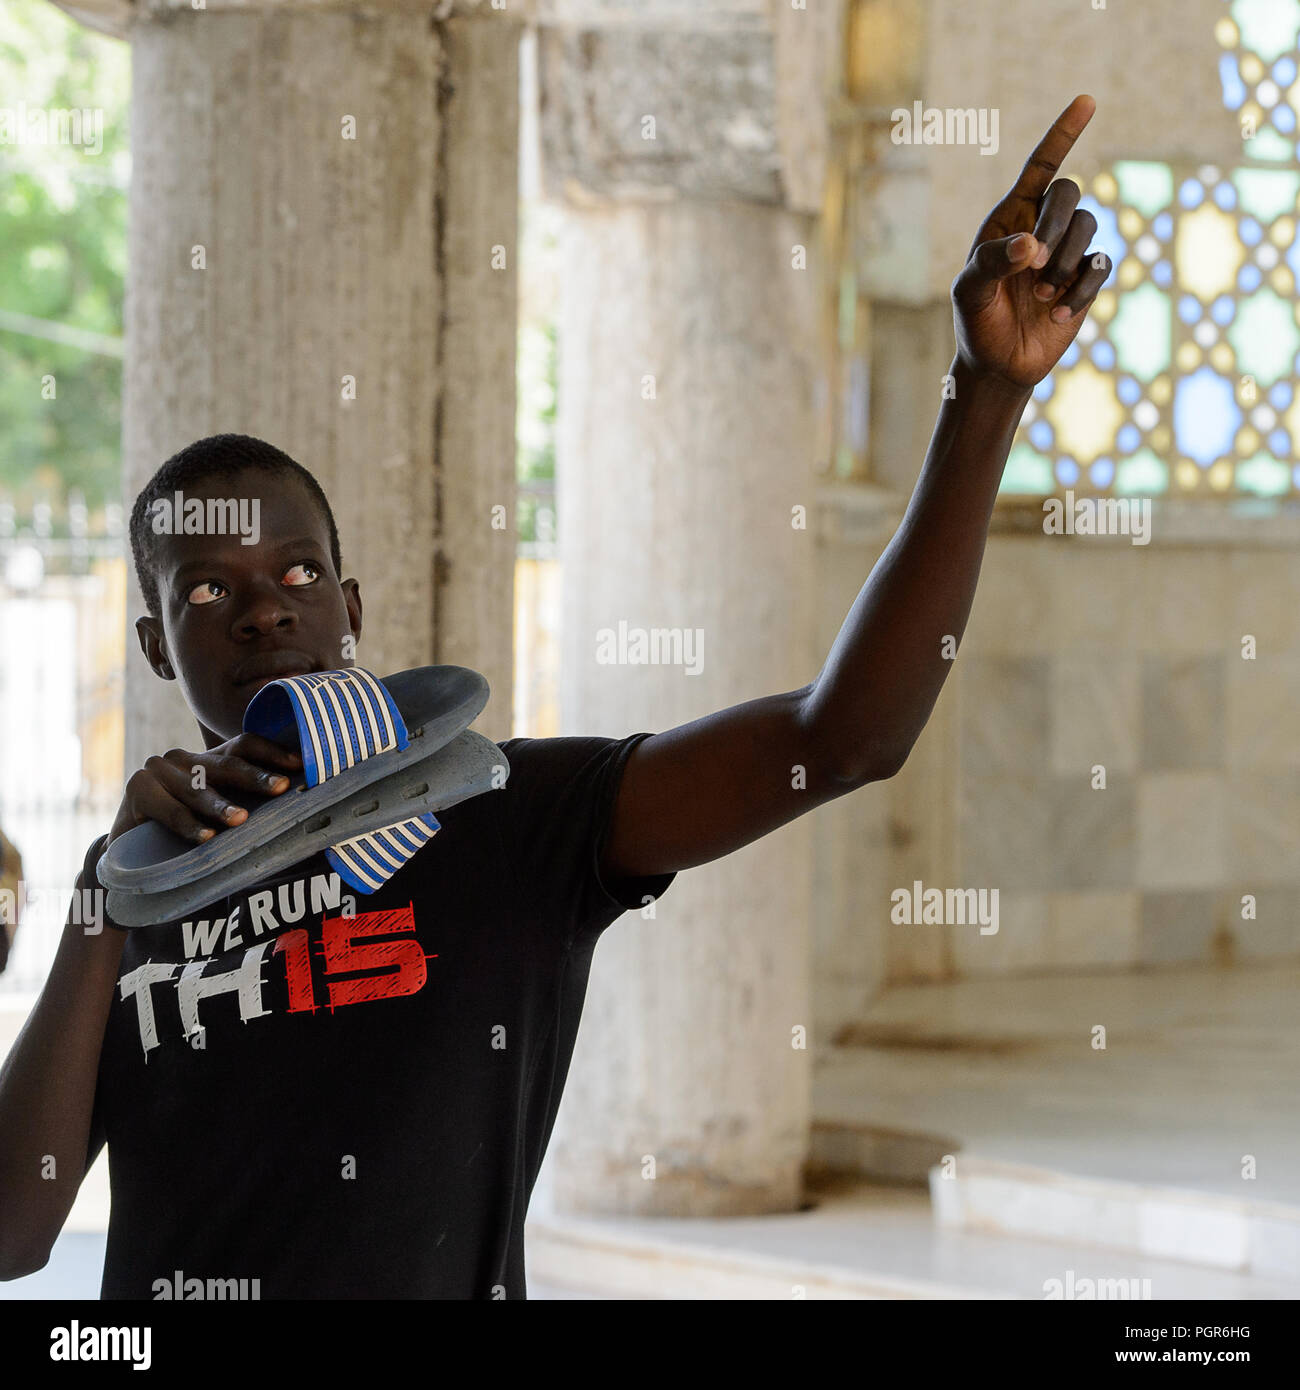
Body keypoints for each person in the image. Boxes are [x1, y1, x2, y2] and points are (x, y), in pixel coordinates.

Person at [0, 95, 1108, 1298]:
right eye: (208, 590)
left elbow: (842, 739)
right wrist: (106, 896)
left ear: (352, 609)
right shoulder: (138, 885)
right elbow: (11, 1234)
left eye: (300, 572)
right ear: (159, 649)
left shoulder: (504, 808)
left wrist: (983, 396)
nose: (266, 607)